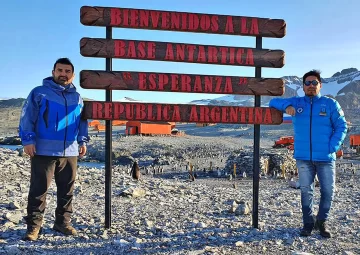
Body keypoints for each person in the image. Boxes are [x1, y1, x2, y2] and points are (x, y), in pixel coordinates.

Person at [269, 70, 347, 238]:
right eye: (308, 83)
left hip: (326, 157)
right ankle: (308, 224)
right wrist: (286, 106)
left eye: (314, 83)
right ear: (303, 86)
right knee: (306, 191)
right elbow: (273, 101)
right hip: (303, 157)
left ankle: (322, 221)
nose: (311, 86)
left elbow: (342, 126)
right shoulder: (296, 102)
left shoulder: (331, 104)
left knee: (328, 191)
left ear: (320, 85)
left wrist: (332, 146)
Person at [19, 58, 89, 241]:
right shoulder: (39, 93)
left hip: (70, 151)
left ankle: (62, 223)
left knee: (67, 191)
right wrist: (28, 140)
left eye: (67, 71)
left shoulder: (77, 97)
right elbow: (27, 117)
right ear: (53, 71)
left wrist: (82, 141)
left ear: (73, 75)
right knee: (38, 190)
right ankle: (34, 227)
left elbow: (82, 121)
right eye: (60, 70)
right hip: (43, 150)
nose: (63, 74)